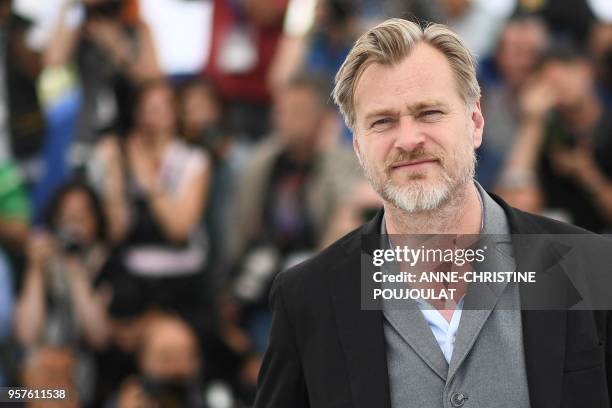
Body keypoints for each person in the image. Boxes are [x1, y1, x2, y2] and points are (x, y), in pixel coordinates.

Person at [254, 19, 612, 408]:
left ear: (475, 122)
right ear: (358, 147)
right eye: (383, 121)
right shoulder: (309, 298)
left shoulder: (581, 269)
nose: (408, 140)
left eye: (428, 113)